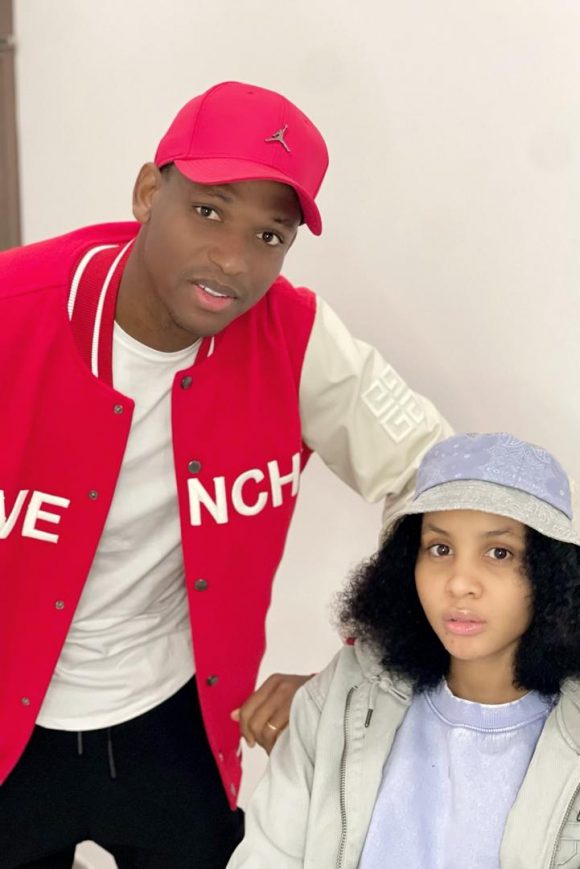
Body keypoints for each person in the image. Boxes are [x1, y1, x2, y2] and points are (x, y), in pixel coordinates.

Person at [0, 81, 453, 868]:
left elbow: (444, 477)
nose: (234, 259)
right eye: (209, 210)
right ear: (150, 193)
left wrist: (369, 661)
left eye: (270, 235)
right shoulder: (16, 307)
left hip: (175, 722)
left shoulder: (296, 336)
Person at [228, 432, 580, 868]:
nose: (459, 582)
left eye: (499, 553)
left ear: (551, 573)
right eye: (440, 548)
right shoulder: (337, 698)